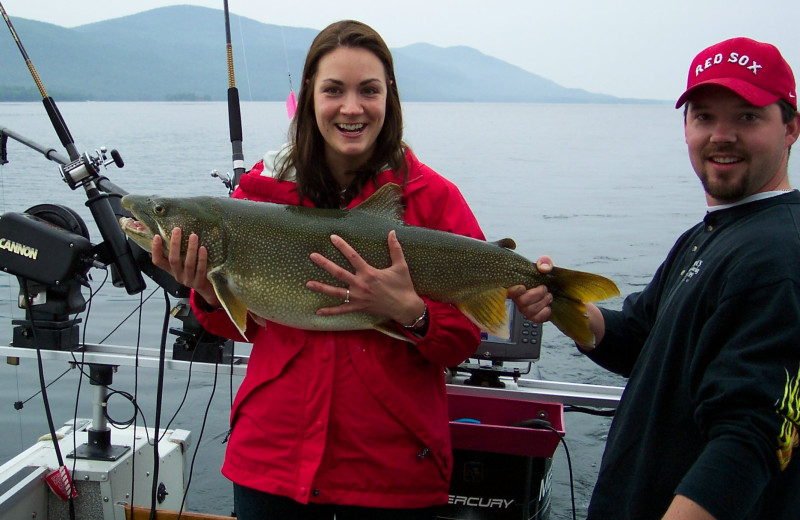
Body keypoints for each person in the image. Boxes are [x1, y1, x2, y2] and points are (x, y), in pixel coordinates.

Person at [151, 20, 483, 520]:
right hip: (272, 462)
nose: (352, 108)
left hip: (391, 474)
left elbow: (464, 340)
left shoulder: (434, 200)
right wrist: (205, 288)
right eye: (334, 90)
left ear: (389, 96)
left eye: (368, 90)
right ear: (309, 95)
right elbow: (237, 327)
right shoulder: (259, 192)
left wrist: (412, 313)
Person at [509, 37, 800, 520]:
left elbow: (750, 437)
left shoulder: (779, 256)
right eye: (705, 116)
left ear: (790, 128)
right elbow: (641, 340)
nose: (721, 135)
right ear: (686, 126)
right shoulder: (709, 234)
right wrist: (558, 303)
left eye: (747, 116)